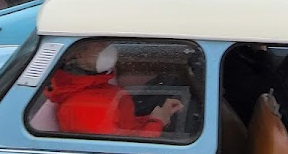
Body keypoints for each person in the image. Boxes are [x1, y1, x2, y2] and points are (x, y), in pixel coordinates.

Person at [44, 39, 183, 137]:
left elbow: (124, 127)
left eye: (106, 42)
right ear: (78, 55)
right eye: (99, 44)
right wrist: (156, 122)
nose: (108, 48)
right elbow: (123, 149)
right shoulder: (82, 104)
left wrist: (155, 117)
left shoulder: (97, 88)